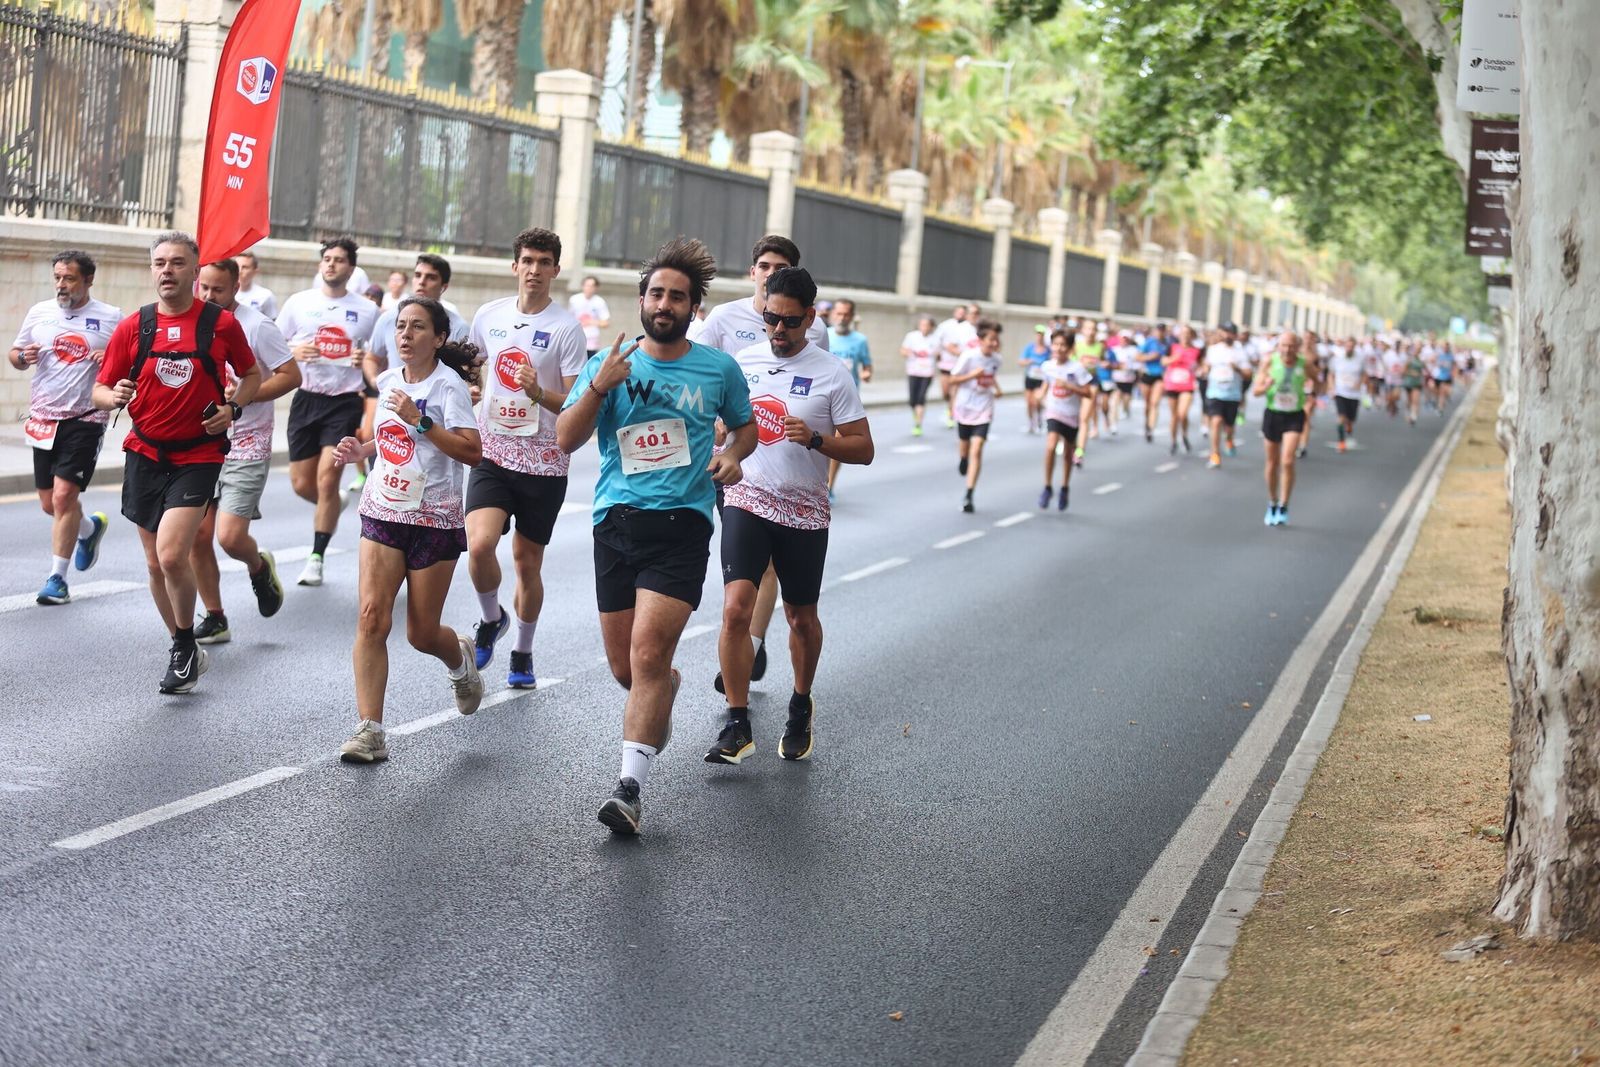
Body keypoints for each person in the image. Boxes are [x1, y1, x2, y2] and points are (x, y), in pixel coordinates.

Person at [556, 237, 755, 835]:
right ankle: (663, 686)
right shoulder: (609, 363)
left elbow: (743, 431)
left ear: (694, 308)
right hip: (615, 523)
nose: (665, 303)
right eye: (657, 293)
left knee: (645, 651)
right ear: (641, 300)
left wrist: (734, 458)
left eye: (678, 296)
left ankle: (628, 789)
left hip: (682, 527)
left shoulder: (718, 369)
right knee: (629, 669)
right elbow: (565, 439)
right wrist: (597, 387)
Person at [706, 266, 873, 765]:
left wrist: (817, 439)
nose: (779, 331)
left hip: (804, 508)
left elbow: (863, 449)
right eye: (771, 320)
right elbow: (723, 423)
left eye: (790, 323)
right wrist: (721, 437)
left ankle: (800, 705)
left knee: (801, 618)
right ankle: (738, 724)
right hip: (747, 496)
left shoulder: (832, 373)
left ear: (810, 318)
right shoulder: (744, 362)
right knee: (736, 607)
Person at [92, 232, 260, 692]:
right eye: (160, 263)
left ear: (194, 269)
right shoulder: (134, 326)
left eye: (178, 263)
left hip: (198, 454)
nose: (167, 270)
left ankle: (184, 643)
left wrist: (234, 408)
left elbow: (251, 374)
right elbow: (101, 389)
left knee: (171, 554)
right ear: (152, 270)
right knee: (154, 564)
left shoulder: (220, 325)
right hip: (145, 452)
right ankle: (184, 644)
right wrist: (114, 395)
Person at [332, 298, 485, 763]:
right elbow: (391, 438)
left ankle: (459, 660)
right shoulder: (388, 381)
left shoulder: (449, 386)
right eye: (400, 326)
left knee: (421, 633)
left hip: (434, 519)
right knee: (372, 617)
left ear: (437, 339)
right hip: (383, 509)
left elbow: (472, 452)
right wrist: (362, 451)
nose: (405, 335)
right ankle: (370, 730)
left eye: (417, 327)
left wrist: (422, 421)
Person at [464, 228, 587, 689]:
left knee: (526, 565)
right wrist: (471, 388)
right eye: (527, 261)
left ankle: (523, 651)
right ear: (515, 266)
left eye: (544, 262)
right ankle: (491, 617)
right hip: (492, 451)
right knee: (478, 547)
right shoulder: (488, 315)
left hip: (543, 463)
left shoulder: (566, 329)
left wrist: (538, 392)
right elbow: (472, 368)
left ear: (556, 269)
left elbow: (577, 402)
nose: (534, 270)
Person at [188, 258, 301, 643]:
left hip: (247, 443)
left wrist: (243, 397)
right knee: (197, 538)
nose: (208, 296)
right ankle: (216, 616)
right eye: (203, 287)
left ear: (237, 287)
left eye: (217, 289)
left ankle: (257, 566)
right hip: (201, 443)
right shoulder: (191, 321)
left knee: (230, 538)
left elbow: (291, 375)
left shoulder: (256, 326)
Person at [10, 250, 124, 605]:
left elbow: (129, 361)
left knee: (63, 497)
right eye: (58, 277)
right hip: (44, 418)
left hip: (85, 418)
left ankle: (57, 579)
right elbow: (15, 354)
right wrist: (21, 357)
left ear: (88, 280)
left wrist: (111, 359)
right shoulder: (40, 313)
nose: (62, 285)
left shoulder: (110, 318)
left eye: (69, 278)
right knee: (50, 504)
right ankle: (89, 529)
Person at [277, 237, 380, 587]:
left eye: (339, 260)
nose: (332, 264)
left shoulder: (367, 311)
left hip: (344, 401)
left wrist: (363, 358)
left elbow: (378, 353)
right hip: (306, 398)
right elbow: (273, 345)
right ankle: (331, 503)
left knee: (327, 477)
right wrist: (295, 349)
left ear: (351, 268)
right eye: (327, 259)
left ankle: (316, 558)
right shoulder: (299, 303)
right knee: (302, 483)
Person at [692, 234, 829, 356]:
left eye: (781, 268)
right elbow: (698, 365)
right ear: (752, 272)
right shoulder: (723, 316)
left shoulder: (815, 326)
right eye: (764, 266)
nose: (770, 274)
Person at [1252, 331, 1318, 527]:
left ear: (1297, 347)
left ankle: (1284, 505)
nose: (1287, 350)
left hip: (1294, 415)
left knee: (1287, 461)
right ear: (1278, 346)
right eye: (1284, 345)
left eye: (1291, 346)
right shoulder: (1268, 362)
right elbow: (1256, 392)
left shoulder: (1304, 363)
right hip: (1273, 414)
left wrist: (1312, 391)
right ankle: (1272, 501)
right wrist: (1266, 386)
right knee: (1272, 463)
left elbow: (1318, 381)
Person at [1036, 329, 1094, 511]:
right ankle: (1047, 486)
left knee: (1068, 454)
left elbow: (1088, 393)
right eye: (1056, 344)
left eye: (1063, 345)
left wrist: (1069, 385)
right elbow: (1046, 383)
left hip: (1071, 415)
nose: (1059, 348)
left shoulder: (1076, 368)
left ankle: (1064, 487)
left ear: (1069, 348)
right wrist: (1040, 394)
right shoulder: (1047, 366)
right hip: (1054, 411)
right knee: (1050, 446)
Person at [951, 319, 1003, 513]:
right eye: (991, 339)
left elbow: (992, 378)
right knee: (965, 448)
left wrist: (997, 389)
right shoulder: (969, 357)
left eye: (996, 340)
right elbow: (953, 379)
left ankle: (969, 494)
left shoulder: (997, 360)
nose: (994, 344)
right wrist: (972, 375)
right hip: (965, 407)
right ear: (981, 340)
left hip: (984, 408)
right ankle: (962, 459)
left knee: (977, 448)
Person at [824, 299, 871, 495]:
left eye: (846, 314)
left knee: (837, 445)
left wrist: (867, 373)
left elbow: (867, 366)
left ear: (851, 317)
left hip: (845, 403)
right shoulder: (823, 335)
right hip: (820, 398)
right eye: (839, 313)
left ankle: (829, 486)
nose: (842, 318)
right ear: (833, 314)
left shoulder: (860, 340)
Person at [1202, 323, 1250, 467]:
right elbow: (1207, 366)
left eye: (1230, 333)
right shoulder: (1213, 350)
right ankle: (1215, 454)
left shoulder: (1240, 352)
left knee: (1229, 426)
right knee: (1215, 422)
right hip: (1215, 392)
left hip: (1232, 394)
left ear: (1235, 335)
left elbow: (1248, 374)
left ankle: (1229, 439)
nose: (1227, 335)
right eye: (1225, 332)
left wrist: (1237, 369)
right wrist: (1204, 370)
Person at [1162, 324, 1201, 455]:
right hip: (1172, 385)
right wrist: (1174, 358)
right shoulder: (1172, 347)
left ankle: (1184, 434)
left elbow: (1202, 367)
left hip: (1187, 386)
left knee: (1182, 414)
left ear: (1192, 336)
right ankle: (1173, 441)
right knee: (1174, 416)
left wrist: (1200, 370)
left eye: (1188, 333)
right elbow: (1163, 361)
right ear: (1178, 335)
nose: (1185, 335)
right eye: (1182, 333)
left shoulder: (1197, 351)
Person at [932, 304, 969, 429]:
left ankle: (951, 413)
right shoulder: (945, 325)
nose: (960, 314)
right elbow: (936, 340)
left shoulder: (969, 327)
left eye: (962, 312)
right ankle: (949, 406)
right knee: (945, 391)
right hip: (945, 363)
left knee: (955, 392)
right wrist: (937, 352)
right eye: (958, 312)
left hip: (959, 364)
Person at [900, 315, 938, 436]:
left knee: (921, 397)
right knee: (912, 400)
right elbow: (903, 350)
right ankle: (915, 414)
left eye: (927, 325)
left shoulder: (935, 339)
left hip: (927, 372)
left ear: (931, 327)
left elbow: (938, 354)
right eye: (922, 325)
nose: (924, 328)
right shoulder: (912, 336)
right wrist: (909, 353)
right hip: (913, 371)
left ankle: (918, 424)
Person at [1328, 338, 1365, 452]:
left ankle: (1349, 424)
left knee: (1351, 419)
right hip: (1340, 392)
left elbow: (1364, 374)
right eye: (1347, 346)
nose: (1349, 348)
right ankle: (1341, 442)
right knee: (1341, 418)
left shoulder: (1360, 359)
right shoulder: (1337, 358)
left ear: (1354, 347)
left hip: (1354, 394)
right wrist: (1331, 387)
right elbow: (1331, 374)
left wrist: (1359, 384)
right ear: (1344, 346)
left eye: (1351, 346)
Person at [1138, 322, 1169, 442]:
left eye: (1162, 330)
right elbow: (1138, 356)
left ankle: (1151, 428)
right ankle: (1147, 422)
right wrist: (1150, 357)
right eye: (1158, 330)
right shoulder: (1149, 342)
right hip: (1147, 374)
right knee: (1147, 404)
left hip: (1159, 376)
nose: (1160, 332)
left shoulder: (1167, 344)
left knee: (1154, 403)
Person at [568, 274, 611, 357]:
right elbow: (568, 319)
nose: (589, 288)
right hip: (576, 339)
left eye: (592, 286)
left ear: (596, 288)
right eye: (587, 285)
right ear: (582, 286)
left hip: (591, 342)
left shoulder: (600, 302)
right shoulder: (574, 300)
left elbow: (606, 323)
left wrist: (591, 322)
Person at [1018, 325, 1049, 434]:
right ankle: (1031, 422)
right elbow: (1020, 362)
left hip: (1040, 379)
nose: (1039, 337)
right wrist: (1029, 361)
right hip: (1030, 377)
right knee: (1029, 403)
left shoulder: (1047, 350)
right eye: (1037, 334)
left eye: (1041, 335)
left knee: (1037, 402)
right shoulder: (1029, 348)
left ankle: (1039, 419)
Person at [235, 251, 277, 319]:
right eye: (237, 266)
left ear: (255, 271)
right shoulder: (226, 293)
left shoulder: (265, 296)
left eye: (245, 267)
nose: (240, 271)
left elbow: (272, 322)